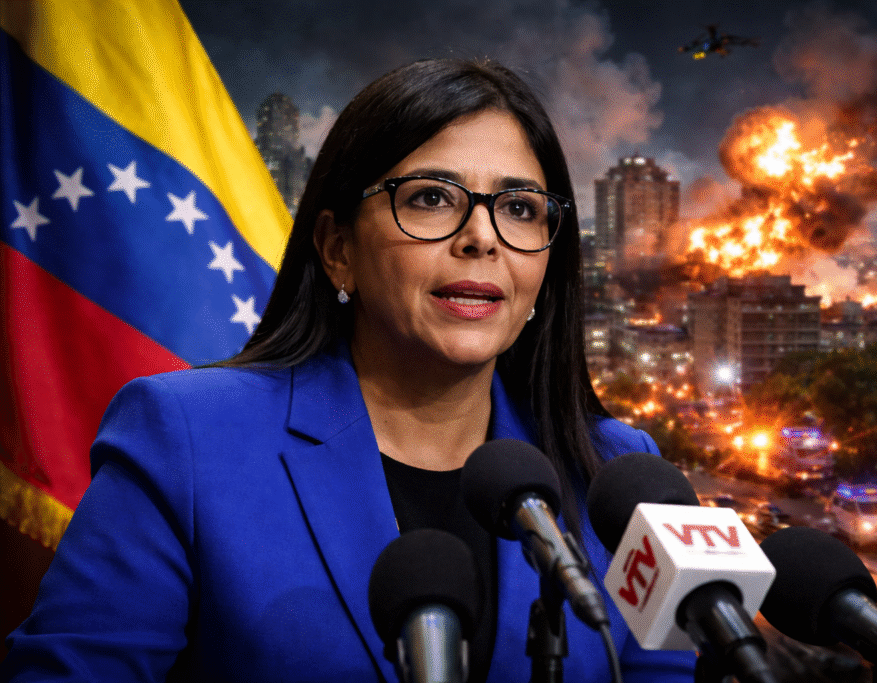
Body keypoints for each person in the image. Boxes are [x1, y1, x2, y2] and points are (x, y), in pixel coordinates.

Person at [2, 58, 697, 682]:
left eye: (519, 208)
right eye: (431, 196)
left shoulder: (618, 473)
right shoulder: (185, 437)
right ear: (338, 250)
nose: (482, 238)